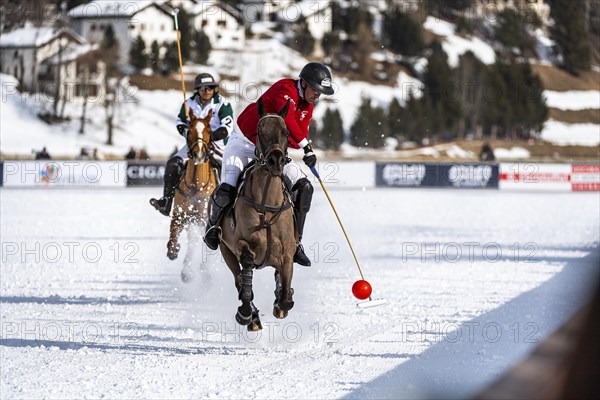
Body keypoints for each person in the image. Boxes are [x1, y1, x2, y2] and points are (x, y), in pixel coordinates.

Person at [203, 62, 335, 267]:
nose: (318, 95)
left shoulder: (307, 106)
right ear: (305, 83)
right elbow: (289, 121)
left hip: (272, 152)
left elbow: (295, 134)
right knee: (228, 186)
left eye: (321, 92)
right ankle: (213, 228)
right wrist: (306, 146)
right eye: (316, 90)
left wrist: (302, 148)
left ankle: (296, 242)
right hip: (244, 143)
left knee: (305, 187)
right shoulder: (285, 89)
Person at [150, 73, 234, 216]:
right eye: (203, 88)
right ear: (198, 90)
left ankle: (228, 206)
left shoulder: (222, 103)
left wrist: (210, 136)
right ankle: (167, 201)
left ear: (214, 89)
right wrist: (187, 132)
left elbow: (228, 126)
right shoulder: (189, 103)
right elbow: (180, 122)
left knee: (228, 169)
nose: (206, 91)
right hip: (193, 145)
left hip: (218, 145)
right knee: (173, 163)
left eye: (210, 88)